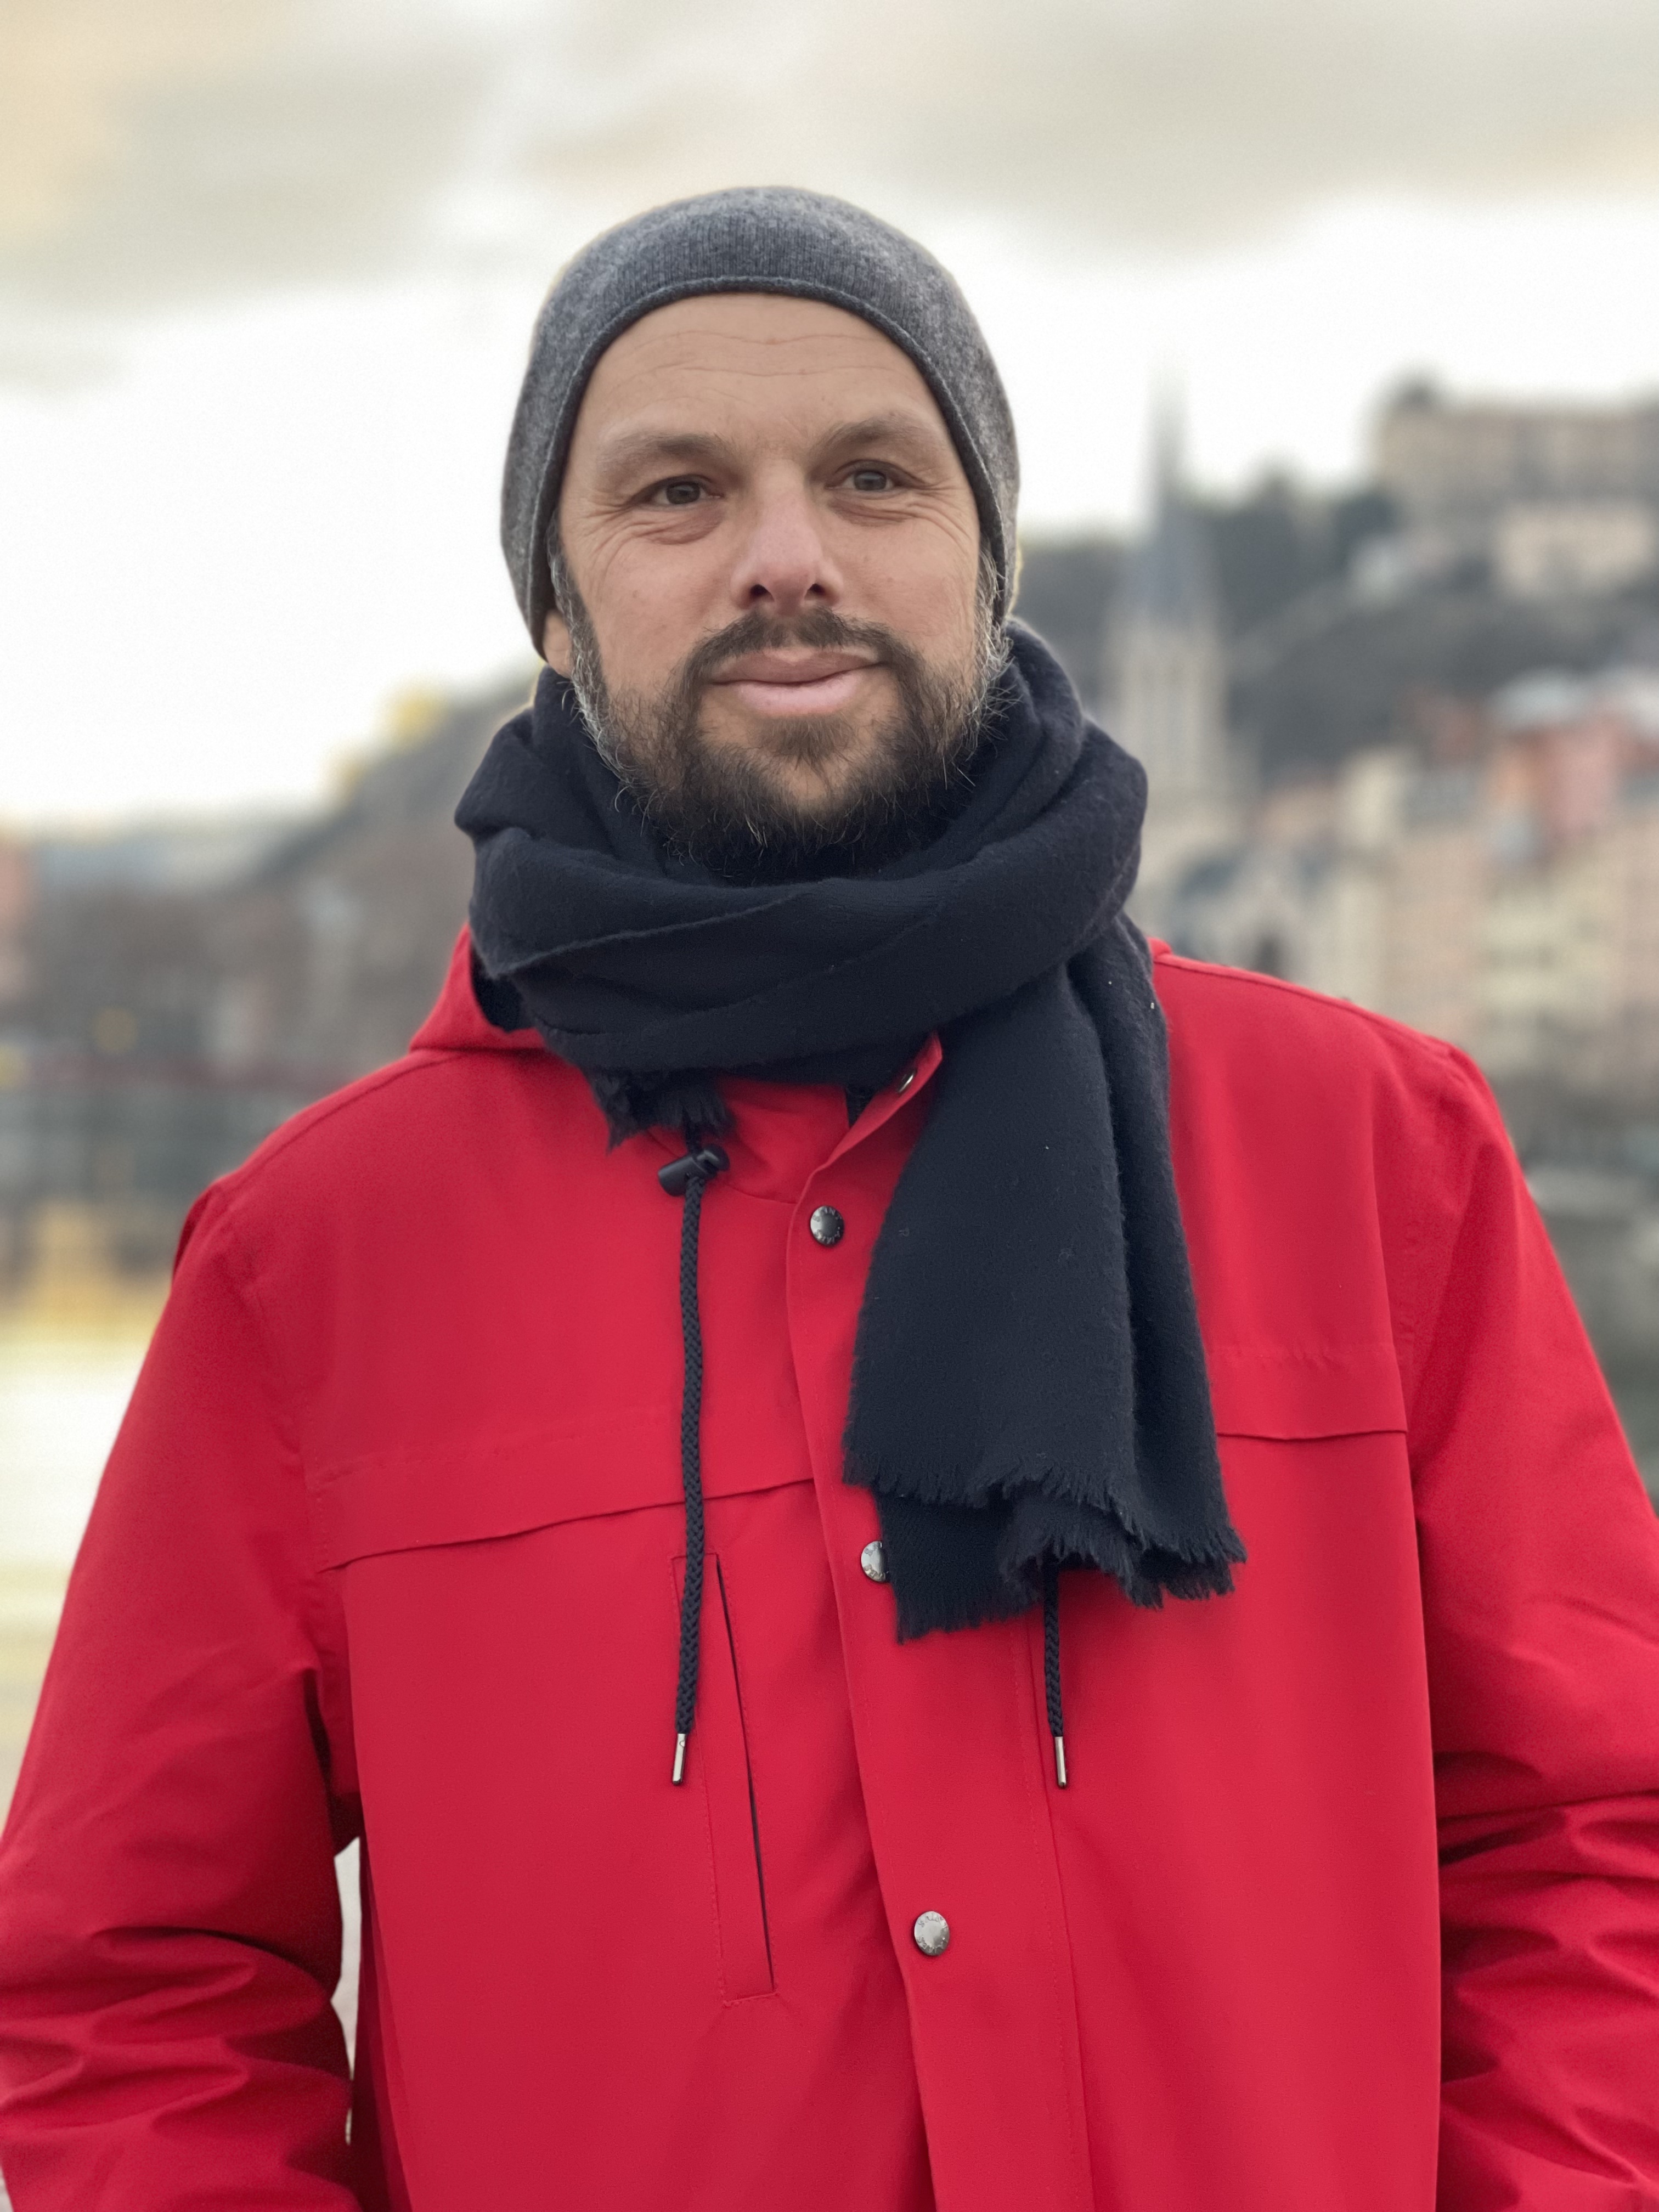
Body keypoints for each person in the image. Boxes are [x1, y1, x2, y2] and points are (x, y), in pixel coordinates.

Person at [1, 187, 1656, 2212]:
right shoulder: (317, 1262)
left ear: (987, 562)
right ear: (555, 609)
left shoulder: (1377, 1156)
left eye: (873, 476)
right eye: (678, 492)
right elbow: (128, 1987)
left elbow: (1601, 1838)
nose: (788, 556)